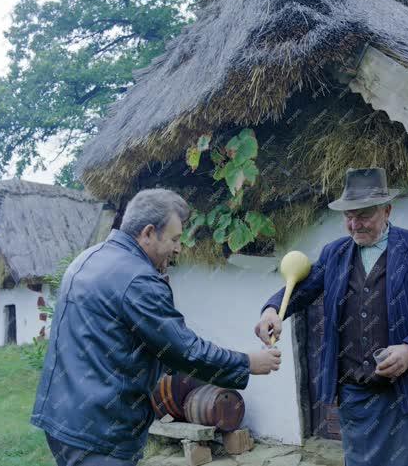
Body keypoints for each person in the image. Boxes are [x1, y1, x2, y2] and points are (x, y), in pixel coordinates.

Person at [32, 188, 281, 466]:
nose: (178, 248)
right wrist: (246, 363)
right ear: (148, 233)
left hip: (61, 420)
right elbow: (183, 350)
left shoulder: (87, 259)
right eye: (174, 239)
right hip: (100, 434)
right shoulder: (139, 279)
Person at [255, 168, 408, 466]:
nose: (354, 224)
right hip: (356, 400)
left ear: (387, 210)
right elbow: (302, 289)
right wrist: (273, 309)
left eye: (363, 215)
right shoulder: (334, 253)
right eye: (348, 216)